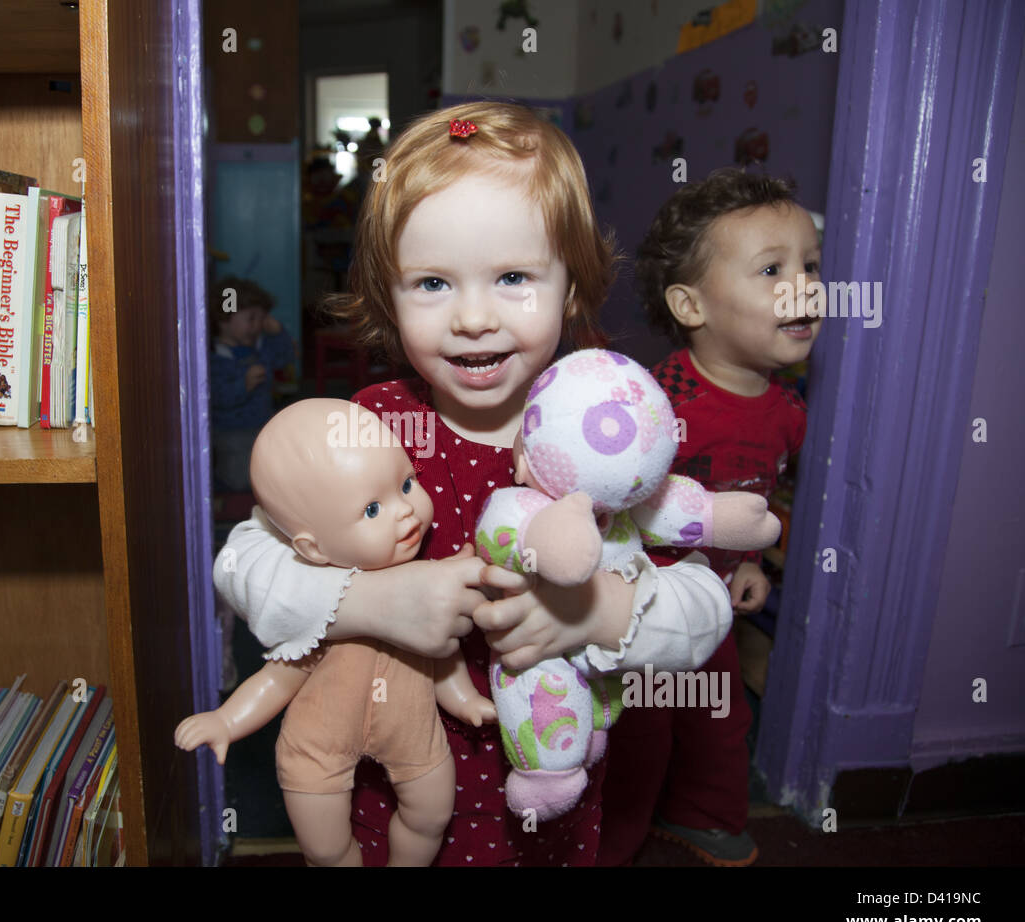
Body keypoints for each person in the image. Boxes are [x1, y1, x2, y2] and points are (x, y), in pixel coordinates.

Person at [211, 101, 733, 866]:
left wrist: (600, 612)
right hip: (394, 785)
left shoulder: (608, 422)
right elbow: (242, 565)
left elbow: (706, 607)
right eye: (432, 283)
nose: (474, 317)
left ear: (572, 285)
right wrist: (371, 600)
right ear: (389, 295)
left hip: (553, 794)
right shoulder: (371, 423)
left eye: (514, 277)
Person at [598, 168, 820, 866]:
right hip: (645, 604)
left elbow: (759, 494)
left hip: (716, 599)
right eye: (772, 270)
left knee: (722, 717)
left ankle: (704, 814)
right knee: (640, 732)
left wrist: (749, 560)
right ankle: (609, 841)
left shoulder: (787, 410)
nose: (804, 286)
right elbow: (613, 504)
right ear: (691, 305)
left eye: (811, 265)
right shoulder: (658, 406)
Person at [177, 399, 495, 865]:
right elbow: (276, 678)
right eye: (371, 510)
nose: (406, 512)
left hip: (413, 732)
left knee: (429, 812)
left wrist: (465, 701)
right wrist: (226, 720)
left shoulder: (428, 581)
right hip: (319, 740)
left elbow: (444, 651)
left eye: (407, 483)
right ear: (313, 549)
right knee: (323, 844)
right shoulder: (319, 610)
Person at [208, 277, 294, 493]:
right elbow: (216, 398)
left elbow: (285, 357)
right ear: (224, 319)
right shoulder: (216, 358)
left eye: (261, 318)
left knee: (273, 467)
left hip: (262, 424)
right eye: (251, 318)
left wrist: (277, 332)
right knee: (239, 478)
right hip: (231, 433)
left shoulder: (259, 348)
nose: (258, 326)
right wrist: (242, 385)